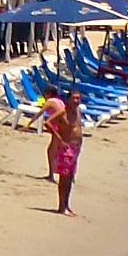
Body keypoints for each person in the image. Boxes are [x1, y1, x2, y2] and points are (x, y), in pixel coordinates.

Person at [43, 88, 85, 216]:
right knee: (64, 178)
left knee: (71, 177)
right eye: (74, 98)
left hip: (76, 148)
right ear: (69, 99)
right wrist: (59, 137)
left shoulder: (78, 112)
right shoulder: (63, 112)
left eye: (78, 98)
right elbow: (48, 123)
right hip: (66, 148)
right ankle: (61, 206)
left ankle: (67, 204)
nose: (76, 101)